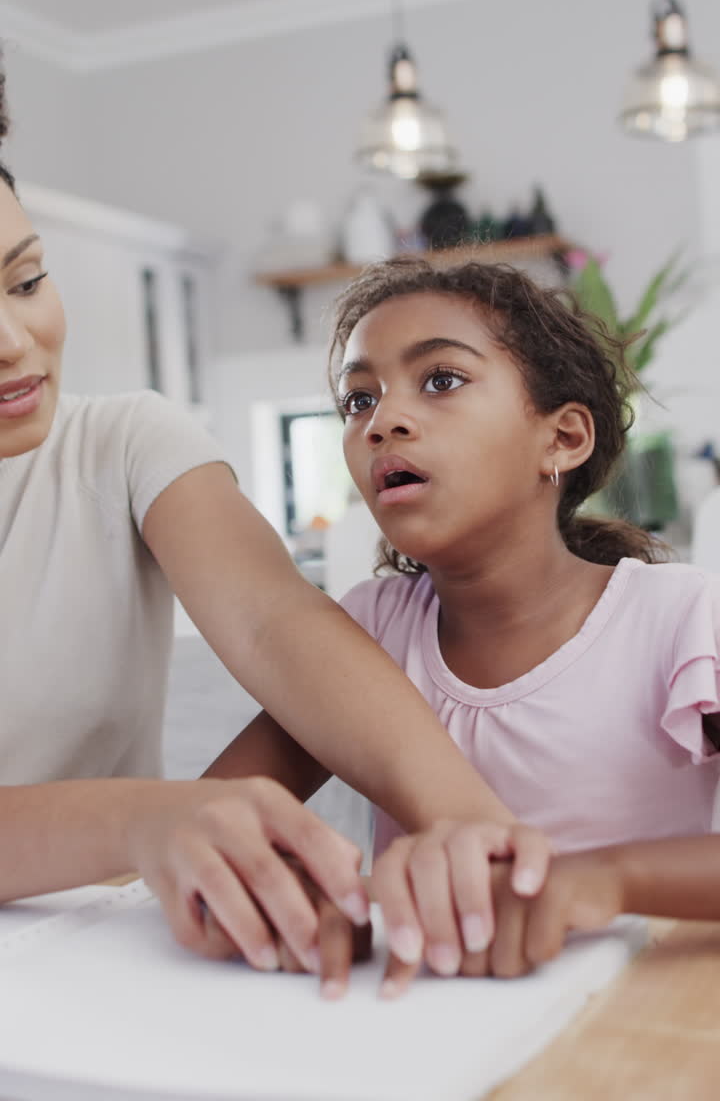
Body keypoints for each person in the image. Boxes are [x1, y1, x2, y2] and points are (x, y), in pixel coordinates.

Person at [0, 65, 549, 980]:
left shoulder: (122, 443)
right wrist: (143, 817)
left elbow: (275, 621)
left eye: (23, 282)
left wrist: (467, 824)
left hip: (90, 970)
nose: (12, 342)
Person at [239, 254, 720, 995]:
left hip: (640, 1017)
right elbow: (223, 819)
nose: (382, 422)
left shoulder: (682, 618)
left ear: (561, 440)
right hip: (428, 1019)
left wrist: (604, 880)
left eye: (441, 380)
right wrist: (316, 896)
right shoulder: (364, 632)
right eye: (357, 400)